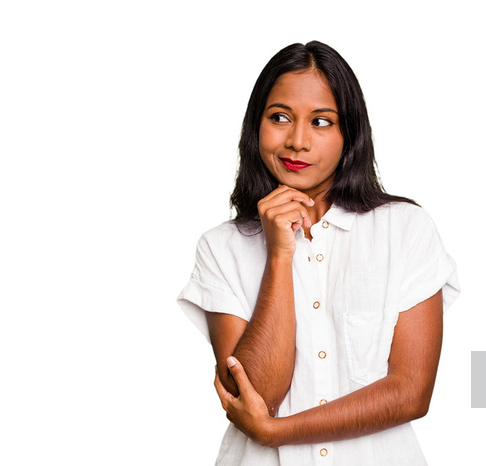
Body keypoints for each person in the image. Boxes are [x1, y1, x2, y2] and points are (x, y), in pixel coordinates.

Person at [178, 40, 460, 465]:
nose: (297, 141)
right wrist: (278, 257)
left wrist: (276, 432)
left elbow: (410, 392)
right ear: (256, 127)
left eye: (322, 122)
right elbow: (258, 394)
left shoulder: (405, 229)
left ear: (350, 134)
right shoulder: (221, 247)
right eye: (279, 118)